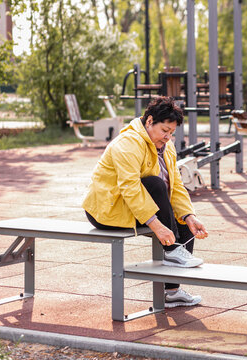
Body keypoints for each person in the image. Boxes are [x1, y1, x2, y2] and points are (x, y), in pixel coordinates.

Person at [83, 96, 208, 308]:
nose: (168, 137)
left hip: (134, 207)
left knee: (183, 220)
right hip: (107, 210)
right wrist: (157, 226)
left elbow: (176, 184)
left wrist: (190, 216)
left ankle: (172, 292)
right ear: (149, 121)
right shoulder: (128, 143)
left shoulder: (166, 147)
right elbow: (130, 187)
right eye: (164, 131)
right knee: (154, 184)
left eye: (171, 132)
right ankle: (172, 251)